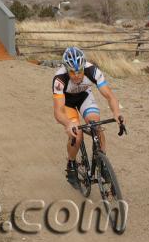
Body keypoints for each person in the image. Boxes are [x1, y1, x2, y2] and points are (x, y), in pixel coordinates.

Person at [52, 47, 124, 188]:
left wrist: (116, 112)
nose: (77, 75)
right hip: (67, 103)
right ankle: (71, 164)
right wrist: (68, 123)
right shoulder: (59, 79)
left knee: (96, 126)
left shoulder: (92, 71)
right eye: (73, 71)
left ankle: (102, 163)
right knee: (77, 134)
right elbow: (58, 111)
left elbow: (110, 96)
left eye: (80, 70)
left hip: (85, 97)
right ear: (66, 69)